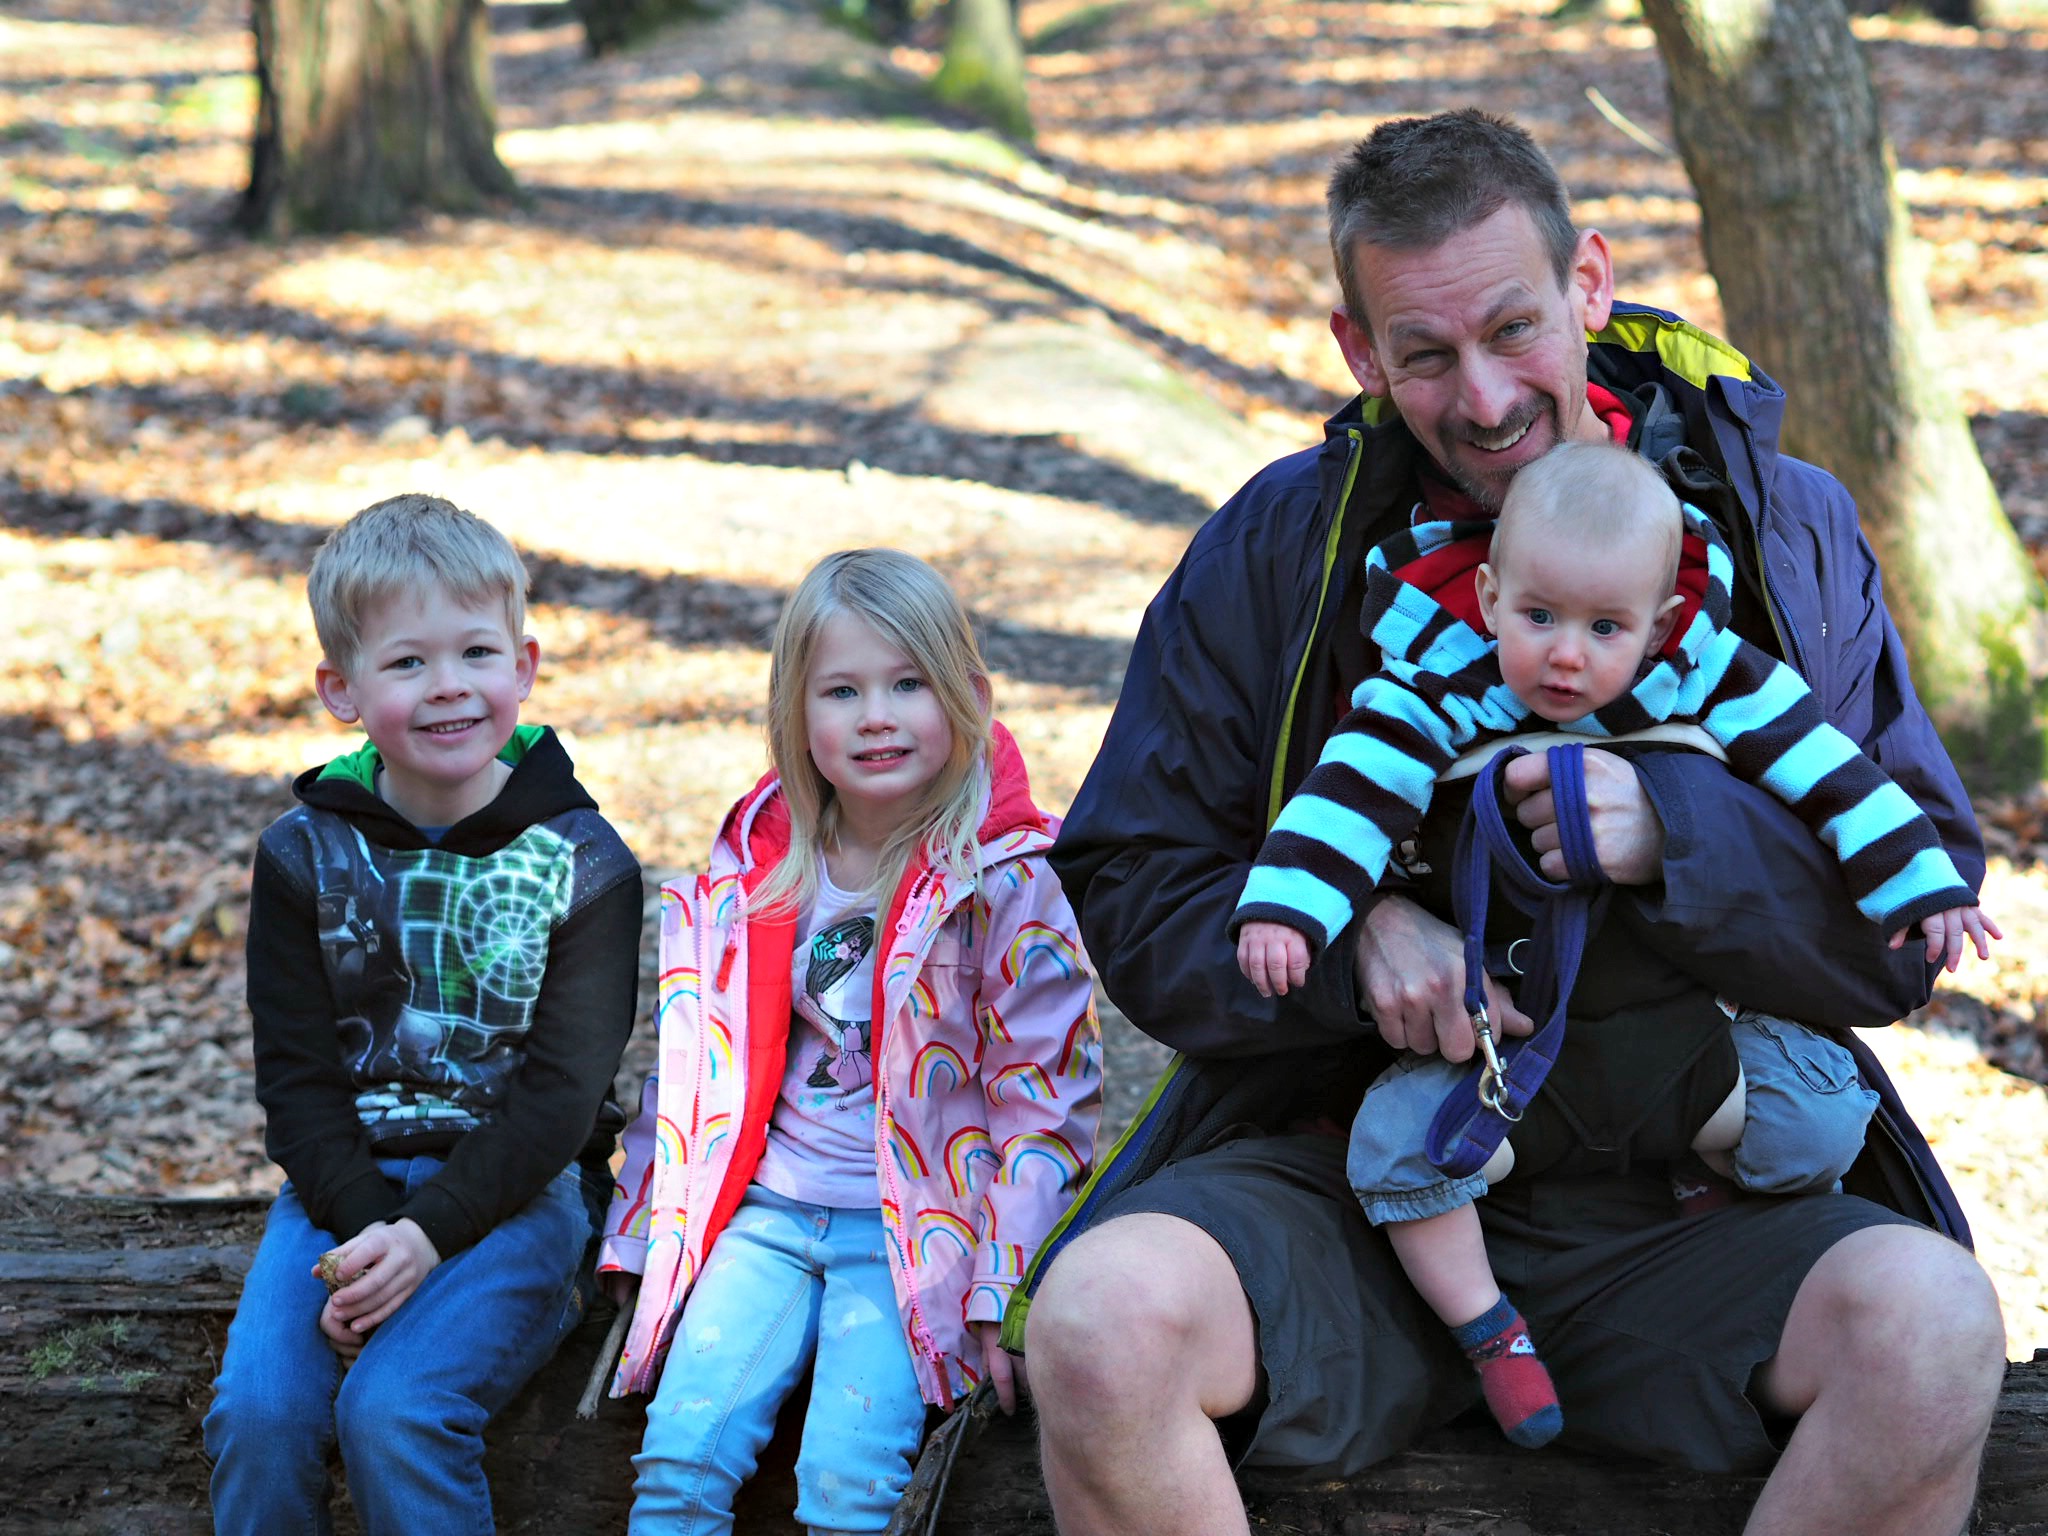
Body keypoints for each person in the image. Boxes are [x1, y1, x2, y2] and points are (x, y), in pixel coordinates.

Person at [1020, 109, 2008, 1536]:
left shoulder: (1779, 529)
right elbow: (1133, 880)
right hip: (1359, 1177)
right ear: (1360, 353)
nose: (1482, 398)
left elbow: (1908, 924)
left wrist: (1680, 840)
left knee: (1930, 1331)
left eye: (1513, 330)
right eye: (1424, 355)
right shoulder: (1278, 545)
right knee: (1102, 1322)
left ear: (1589, 285)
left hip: (1695, 1184)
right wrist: (1351, 934)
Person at [1231, 440, 1998, 1448]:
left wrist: (1922, 880)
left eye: (1604, 628)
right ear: (1492, 593)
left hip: (1682, 1047)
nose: (1564, 656)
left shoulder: (1708, 679)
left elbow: (1832, 773)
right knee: (1394, 1154)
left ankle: (1702, 1194)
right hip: (1507, 1058)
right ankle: (1486, 1331)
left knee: (1818, 1123)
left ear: (1659, 626)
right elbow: (1347, 794)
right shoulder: (1433, 685)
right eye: (1538, 617)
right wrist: (1293, 910)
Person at [596, 548, 1101, 1535]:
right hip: (766, 1220)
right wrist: (641, 1228)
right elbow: (699, 1062)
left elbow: (1043, 1101)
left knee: (846, 1488)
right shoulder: (763, 854)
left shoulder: (1004, 877)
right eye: (842, 690)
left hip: (912, 1237)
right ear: (796, 716)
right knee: (675, 1465)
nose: (876, 714)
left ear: (968, 696)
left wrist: (1004, 1283)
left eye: (907, 683)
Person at [202, 493, 644, 1536]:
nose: (449, 688)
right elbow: (298, 1082)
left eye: (475, 654)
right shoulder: (301, 856)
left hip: (520, 1198)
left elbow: (558, 1104)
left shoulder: (584, 866)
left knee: (397, 1410)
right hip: (337, 1194)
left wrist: (427, 1237)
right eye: (406, 664)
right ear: (341, 691)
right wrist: (370, 1231)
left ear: (523, 667)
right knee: (259, 1412)